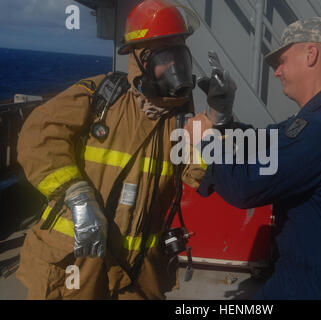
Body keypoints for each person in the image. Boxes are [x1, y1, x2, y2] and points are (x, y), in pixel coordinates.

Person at [185, 17, 321, 299]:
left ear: (311, 54)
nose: (278, 71)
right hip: (309, 270)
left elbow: (245, 187)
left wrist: (205, 140)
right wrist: (222, 117)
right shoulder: (320, 117)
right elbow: (261, 142)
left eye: (282, 60)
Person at [16, 0, 205, 300]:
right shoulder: (101, 98)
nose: (175, 69)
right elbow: (37, 136)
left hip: (138, 273)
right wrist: (76, 194)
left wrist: (220, 121)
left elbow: (199, 177)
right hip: (77, 261)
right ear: (142, 61)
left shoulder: (183, 121)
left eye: (180, 58)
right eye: (165, 58)